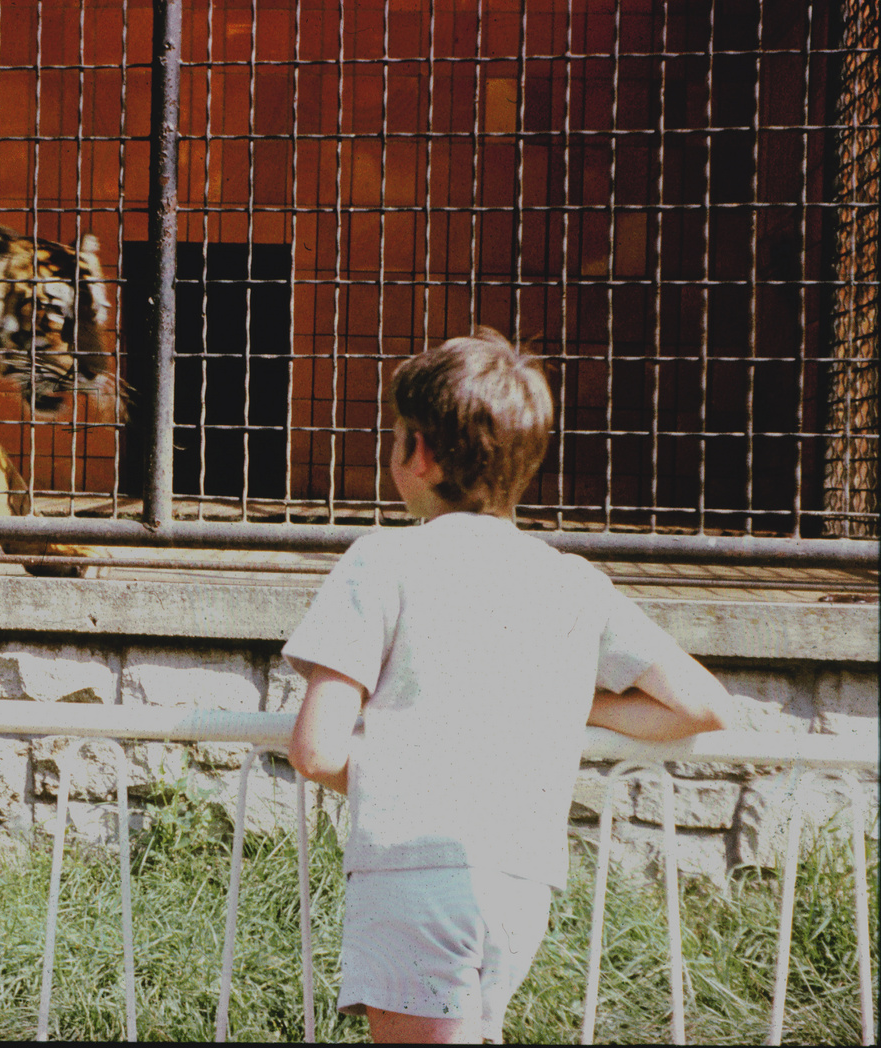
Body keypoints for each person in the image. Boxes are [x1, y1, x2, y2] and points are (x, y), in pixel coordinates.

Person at [284, 327, 733, 1045]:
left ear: (420, 454)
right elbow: (701, 707)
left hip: (413, 872)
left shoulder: (380, 564)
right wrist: (558, 698)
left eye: (398, 434)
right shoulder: (571, 580)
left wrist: (394, 777)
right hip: (520, 883)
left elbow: (314, 750)